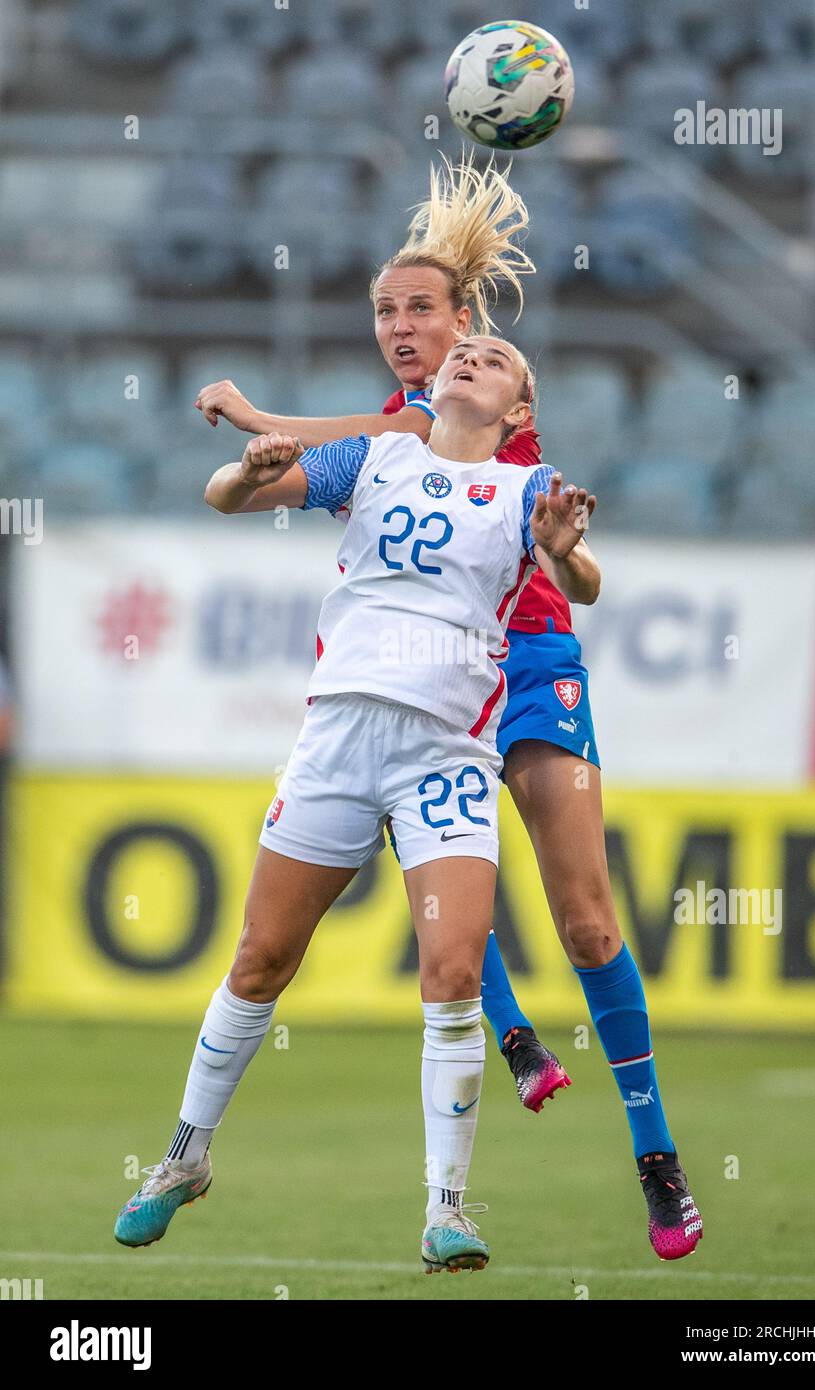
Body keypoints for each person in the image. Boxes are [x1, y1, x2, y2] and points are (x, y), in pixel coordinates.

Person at [194, 155, 703, 1261]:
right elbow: (290, 472)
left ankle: (654, 1154)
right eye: (383, 310)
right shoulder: (397, 428)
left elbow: (389, 443)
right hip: (434, 690)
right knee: (435, 865)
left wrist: (250, 405)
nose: (403, 327)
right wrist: (251, 456)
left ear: (466, 322)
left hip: (535, 664)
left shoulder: (485, 397)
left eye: (420, 307)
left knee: (586, 920)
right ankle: (511, 1038)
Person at [114, 335, 593, 1273]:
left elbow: (585, 580)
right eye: (464, 352)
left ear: (516, 411)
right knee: (259, 962)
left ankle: (446, 1211)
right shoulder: (375, 455)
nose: (467, 358)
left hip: (446, 755)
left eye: (494, 360)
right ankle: (184, 1158)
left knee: (453, 974)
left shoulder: (528, 490)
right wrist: (247, 468)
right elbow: (225, 499)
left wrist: (567, 559)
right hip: (336, 741)